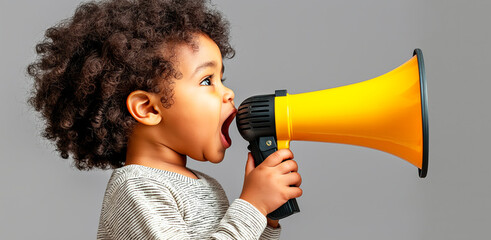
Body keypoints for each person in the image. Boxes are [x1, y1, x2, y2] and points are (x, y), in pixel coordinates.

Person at [26, 0, 302, 239]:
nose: (228, 92)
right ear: (148, 108)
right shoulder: (136, 187)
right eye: (207, 80)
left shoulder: (205, 184)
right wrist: (251, 207)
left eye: (222, 79)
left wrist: (265, 220)